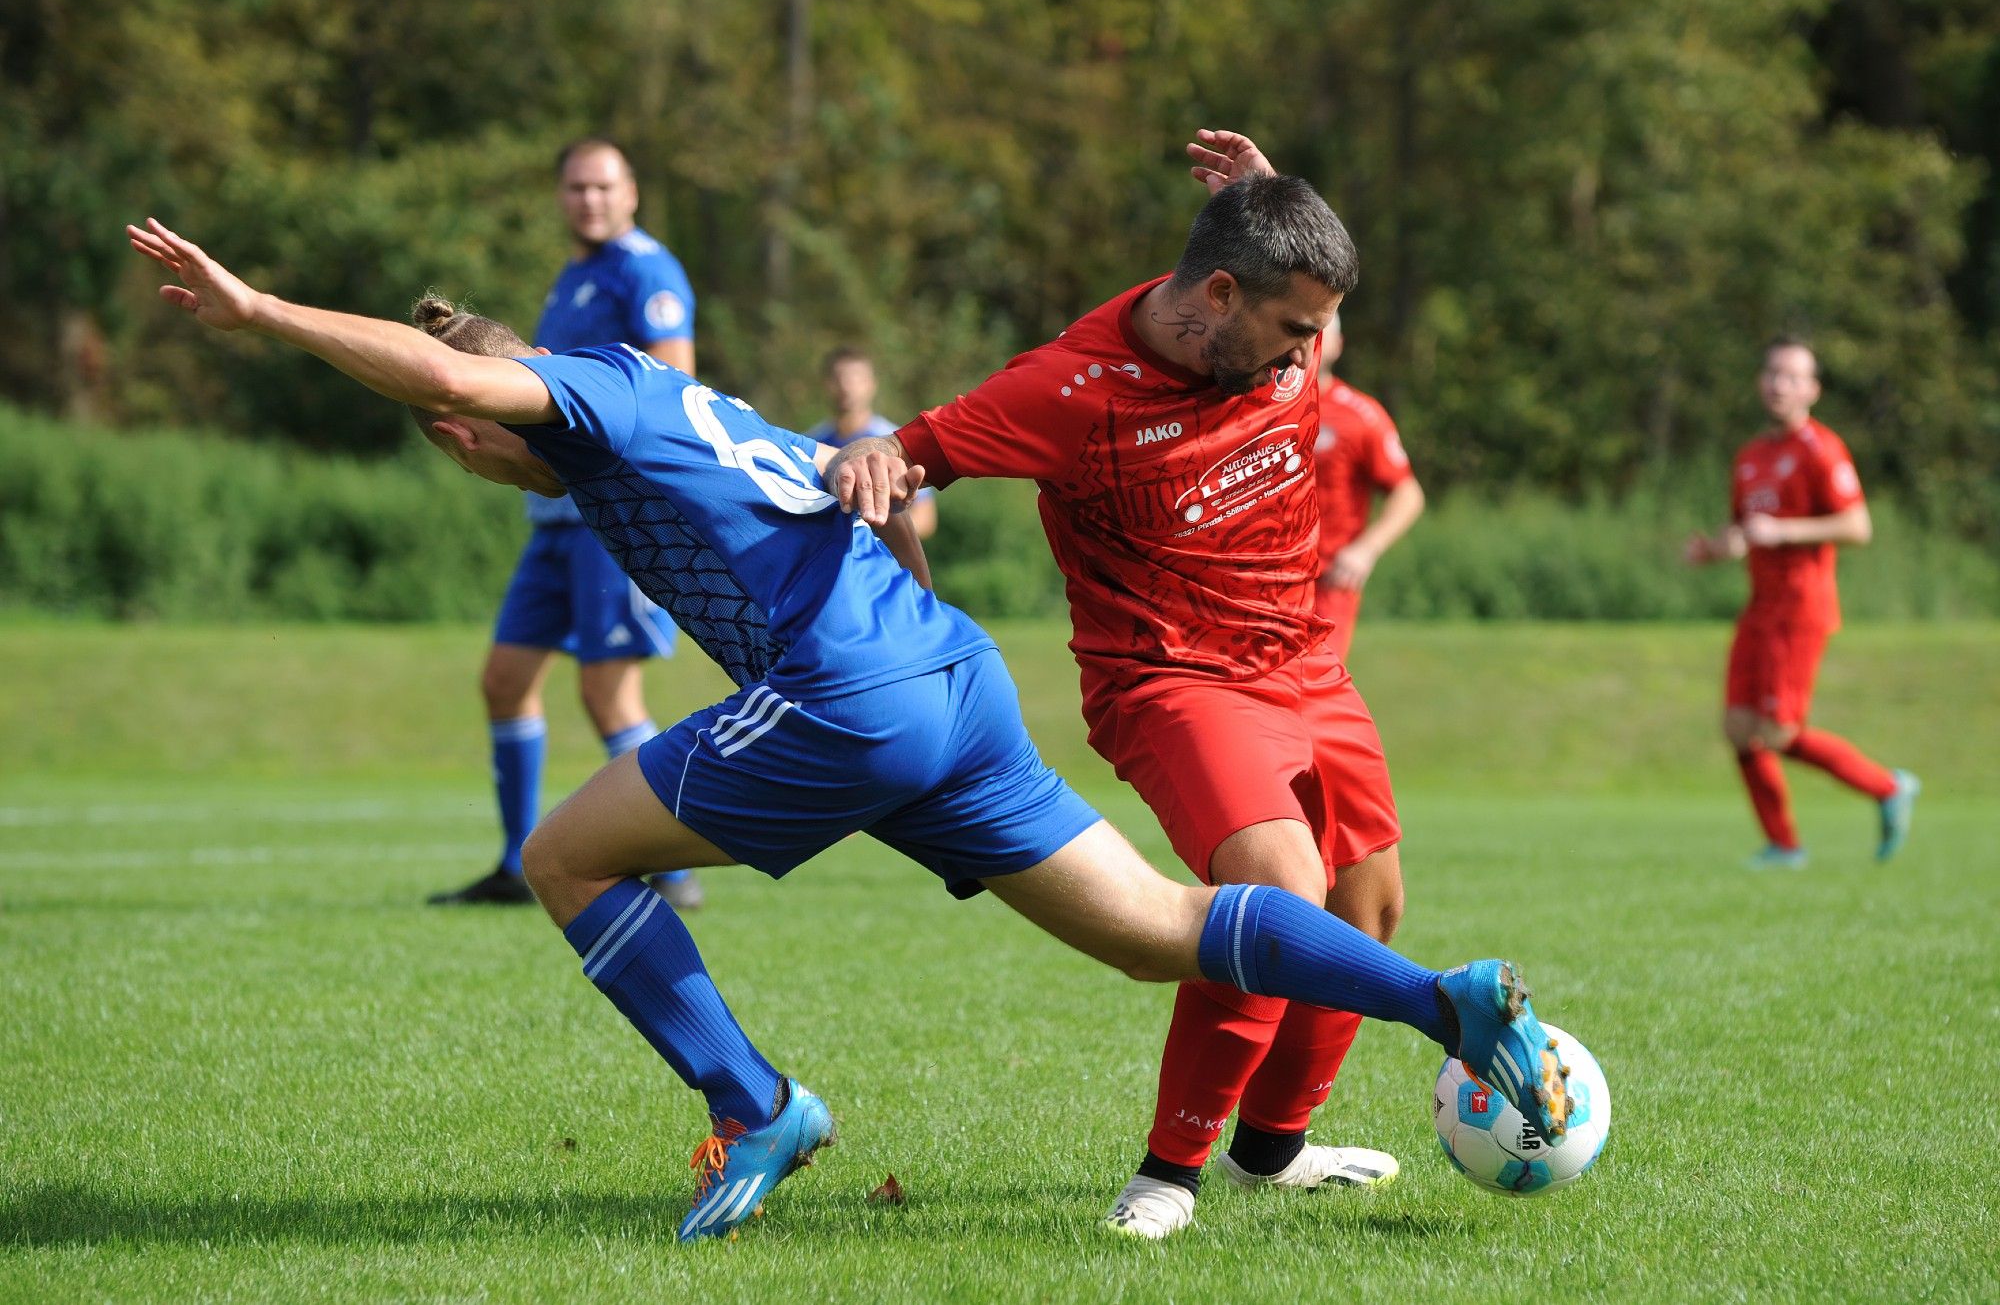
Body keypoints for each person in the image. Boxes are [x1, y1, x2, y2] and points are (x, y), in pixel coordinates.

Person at [125, 216, 1574, 1242]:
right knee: (1160, 927)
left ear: (497, 414)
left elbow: (453, 375)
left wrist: (260, 314)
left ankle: (757, 1103)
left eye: (487, 425)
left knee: (567, 858)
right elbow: (753, 472)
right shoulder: (679, 401)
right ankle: (1440, 998)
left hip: (850, 706)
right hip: (954, 679)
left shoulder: (588, 391)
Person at [824, 132, 1417, 1238]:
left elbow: (1276, 262)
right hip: (1172, 677)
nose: (1310, 356)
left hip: (1303, 659)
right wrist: (872, 460)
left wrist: (1264, 188)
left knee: (1367, 905)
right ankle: (1167, 1171)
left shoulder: (1263, 319)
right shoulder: (1068, 391)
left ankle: (1271, 1152)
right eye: (1295, 329)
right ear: (1222, 296)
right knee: (1276, 896)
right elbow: (907, 458)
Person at [430, 136, 703, 910]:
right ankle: (518, 865)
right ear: (561, 197)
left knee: (607, 693)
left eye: (603, 187)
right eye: (577, 188)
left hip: (609, 516)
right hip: (553, 515)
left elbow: (672, 385)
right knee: (505, 681)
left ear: (633, 192)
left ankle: (675, 870)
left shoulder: (646, 270)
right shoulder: (576, 276)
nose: (590, 200)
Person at [1685, 337, 1919, 869]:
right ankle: (1784, 846)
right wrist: (1715, 549)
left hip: (1801, 606)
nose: (1779, 384)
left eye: (1792, 376)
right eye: (1772, 373)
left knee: (1778, 733)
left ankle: (1887, 787)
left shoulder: (1822, 449)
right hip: (1759, 607)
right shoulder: (1750, 457)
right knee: (1739, 728)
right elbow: (1749, 531)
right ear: (1759, 382)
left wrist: (1785, 531)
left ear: (1812, 389)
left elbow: (1858, 526)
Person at [1311, 314, 1424, 661]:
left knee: (1315, 692)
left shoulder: (1361, 415)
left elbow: (1408, 494)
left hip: (1328, 582)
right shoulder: (1258, 403)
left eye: (1323, 333)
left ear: (1339, 346)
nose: (1313, 341)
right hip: (1261, 579)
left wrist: (1366, 549)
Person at [806, 347, 937, 539]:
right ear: (826, 385)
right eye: (838, 378)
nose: (846, 386)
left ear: (871, 384)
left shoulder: (898, 444)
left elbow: (925, 517)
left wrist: (875, 539)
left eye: (856, 378)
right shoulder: (811, 443)